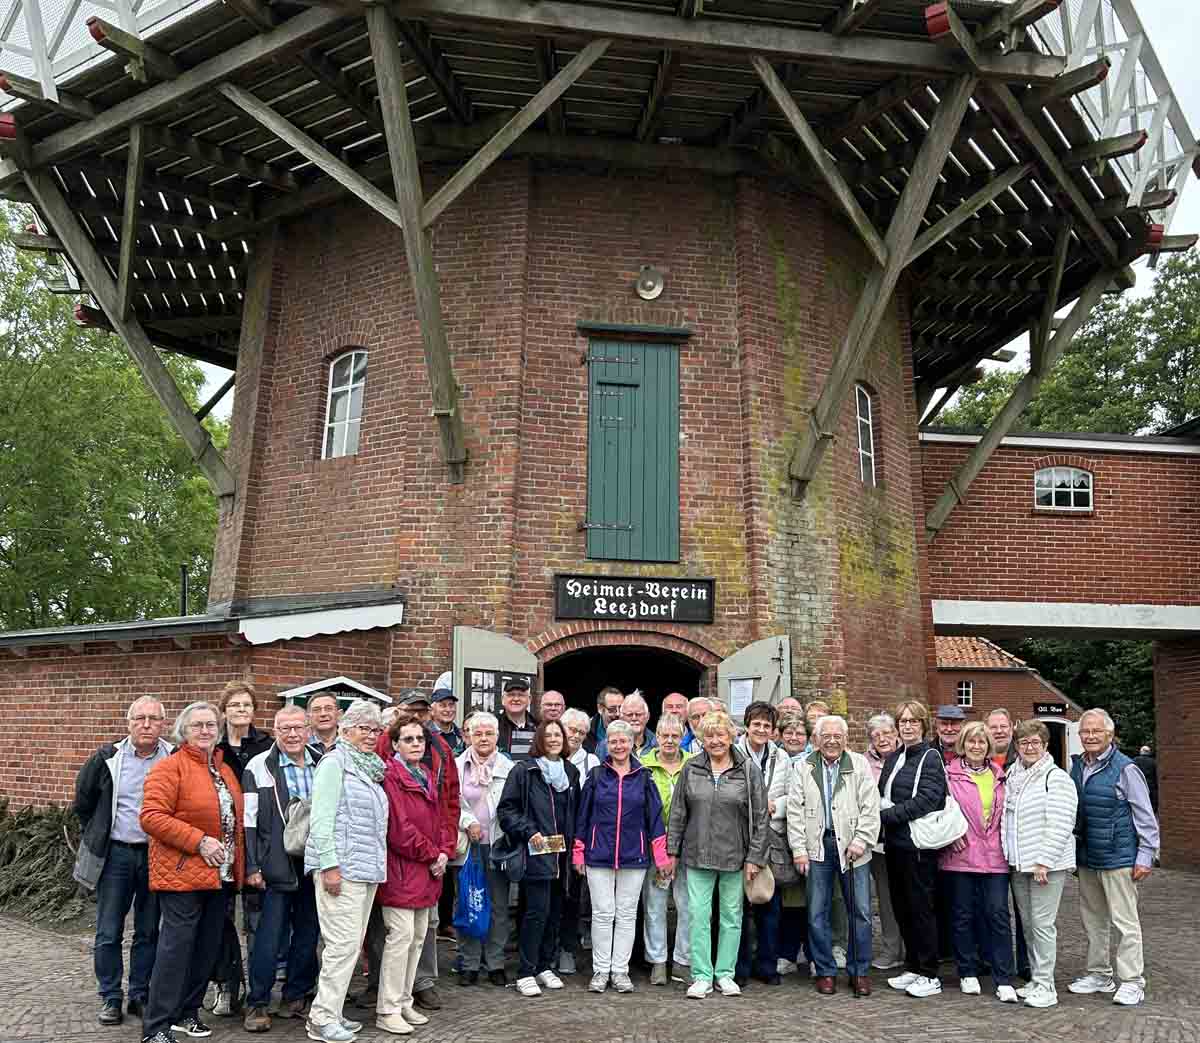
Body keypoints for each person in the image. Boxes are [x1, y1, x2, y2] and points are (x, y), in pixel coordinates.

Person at [139, 701, 245, 1043]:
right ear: (183, 731)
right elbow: (152, 817)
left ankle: (187, 1012)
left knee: (206, 947)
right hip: (182, 873)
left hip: (220, 875)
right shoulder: (170, 768)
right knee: (175, 950)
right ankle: (156, 1025)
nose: (205, 731)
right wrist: (199, 841)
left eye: (211, 725)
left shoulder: (223, 769)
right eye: (197, 725)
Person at [73, 696, 173, 1027]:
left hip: (157, 855)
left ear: (163, 723)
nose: (146, 724)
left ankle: (140, 994)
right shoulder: (108, 758)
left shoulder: (173, 758)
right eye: (140, 718)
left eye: (153, 719)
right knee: (109, 930)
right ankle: (111, 997)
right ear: (128, 722)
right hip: (116, 854)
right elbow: (83, 802)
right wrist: (99, 832)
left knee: (148, 930)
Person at [667, 711, 769, 999]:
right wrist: (672, 851)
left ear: (731, 736)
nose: (715, 741)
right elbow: (678, 813)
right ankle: (701, 975)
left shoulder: (748, 769)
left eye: (720, 735)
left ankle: (725, 974)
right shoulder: (691, 768)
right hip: (697, 853)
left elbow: (760, 818)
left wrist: (755, 857)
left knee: (732, 916)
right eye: (708, 736)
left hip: (735, 855)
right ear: (701, 739)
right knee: (698, 915)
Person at [304, 699, 388, 1043]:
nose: (371, 735)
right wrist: (329, 865)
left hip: (364, 868)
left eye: (376, 729)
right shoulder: (334, 764)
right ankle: (322, 1018)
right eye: (363, 728)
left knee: (350, 945)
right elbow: (321, 821)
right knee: (341, 945)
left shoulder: (370, 767)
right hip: (341, 868)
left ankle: (332, 1011)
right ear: (345, 729)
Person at [1068, 708, 1160, 1007]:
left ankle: (1132, 981)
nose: (1090, 736)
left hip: (1119, 856)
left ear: (1110, 734)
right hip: (1088, 856)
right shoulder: (1077, 767)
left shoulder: (1126, 769)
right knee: (1093, 920)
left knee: (1125, 921)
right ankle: (1099, 974)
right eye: (1085, 731)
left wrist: (1146, 854)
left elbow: (1145, 816)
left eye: (1096, 731)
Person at [240, 704, 321, 1032]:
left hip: (313, 863)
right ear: (275, 730)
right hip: (274, 866)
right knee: (267, 938)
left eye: (298, 727)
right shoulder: (259, 767)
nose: (292, 734)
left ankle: (294, 996)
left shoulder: (322, 761)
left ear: (308, 729)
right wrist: (253, 865)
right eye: (285, 728)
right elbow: (248, 822)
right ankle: (257, 1002)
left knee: (307, 934)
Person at [573, 719, 670, 993]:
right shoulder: (595, 776)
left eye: (623, 740)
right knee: (603, 913)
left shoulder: (644, 776)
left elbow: (655, 820)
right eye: (613, 740)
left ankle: (620, 971)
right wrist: (579, 852)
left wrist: (661, 857)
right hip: (598, 854)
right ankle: (601, 970)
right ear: (607, 744)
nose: (618, 745)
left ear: (631, 743)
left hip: (634, 855)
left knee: (627, 915)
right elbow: (583, 816)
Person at [788, 715, 880, 998]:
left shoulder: (859, 764)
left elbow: (870, 806)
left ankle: (859, 970)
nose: (831, 741)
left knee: (861, 912)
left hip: (853, 848)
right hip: (817, 847)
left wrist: (861, 840)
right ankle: (826, 971)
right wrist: (800, 850)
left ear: (845, 738)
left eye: (837, 736)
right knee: (817, 912)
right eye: (825, 736)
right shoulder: (804, 766)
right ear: (816, 740)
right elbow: (795, 810)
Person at [498, 719, 580, 997]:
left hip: (562, 854)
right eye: (549, 735)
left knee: (555, 913)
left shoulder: (571, 772)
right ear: (540, 740)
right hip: (535, 852)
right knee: (535, 912)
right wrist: (528, 830)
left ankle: (545, 965)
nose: (554, 739)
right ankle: (526, 971)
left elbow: (575, 810)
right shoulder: (525, 771)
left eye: (559, 734)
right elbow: (507, 810)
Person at [376, 717, 447, 1036]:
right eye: (408, 739)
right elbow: (399, 830)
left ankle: (404, 1000)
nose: (416, 743)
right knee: (400, 938)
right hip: (402, 869)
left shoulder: (428, 775)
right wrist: (433, 854)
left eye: (420, 738)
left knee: (418, 936)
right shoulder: (390, 777)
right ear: (395, 744)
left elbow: (443, 818)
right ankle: (387, 1008)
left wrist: (444, 851)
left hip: (429, 869)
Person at [1002, 719, 1078, 1010]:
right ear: (1017, 747)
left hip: (1046, 866)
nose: (1029, 747)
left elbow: (1061, 823)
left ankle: (1047, 986)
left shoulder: (1056, 778)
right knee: (1029, 924)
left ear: (1045, 745)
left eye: (1035, 742)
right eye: (1023, 743)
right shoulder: (1013, 774)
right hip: (1019, 864)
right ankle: (1036, 978)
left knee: (1043, 925)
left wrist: (1044, 861)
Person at [940, 722, 1017, 1003]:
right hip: (960, 855)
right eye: (971, 741)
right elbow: (941, 810)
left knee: (997, 914)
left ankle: (1004, 977)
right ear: (963, 744)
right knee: (962, 915)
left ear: (988, 746)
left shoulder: (1000, 776)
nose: (976, 746)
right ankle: (967, 971)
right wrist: (951, 836)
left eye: (981, 742)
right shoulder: (950, 775)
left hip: (995, 856)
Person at [877, 699, 948, 999]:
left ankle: (930, 973)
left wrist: (888, 816)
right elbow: (882, 791)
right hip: (895, 845)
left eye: (912, 721)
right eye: (902, 722)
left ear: (923, 725)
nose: (907, 726)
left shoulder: (931, 757)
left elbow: (930, 799)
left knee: (921, 909)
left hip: (918, 846)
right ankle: (913, 966)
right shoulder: (895, 757)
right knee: (902, 907)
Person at [212, 680, 273, 1016]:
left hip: (254, 844)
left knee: (256, 919)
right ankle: (226, 984)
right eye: (234, 705)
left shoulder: (266, 745)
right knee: (220, 921)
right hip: (220, 844)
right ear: (224, 710)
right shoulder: (214, 745)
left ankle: (257, 988)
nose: (240, 710)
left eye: (246, 705)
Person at [454, 712, 515, 985]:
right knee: (467, 903)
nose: (483, 738)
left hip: (498, 844)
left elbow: (514, 805)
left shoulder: (509, 768)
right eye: (477, 733)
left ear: (496, 736)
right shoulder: (457, 766)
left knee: (499, 905)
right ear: (468, 735)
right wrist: (468, 822)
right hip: (468, 845)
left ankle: (495, 962)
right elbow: (450, 804)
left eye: (488, 733)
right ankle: (468, 962)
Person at [734, 701, 791, 987]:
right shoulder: (734, 753)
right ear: (747, 725)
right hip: (741, 837)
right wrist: (754, 805)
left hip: (773, 837)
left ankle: (767, 965)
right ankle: (741, 966)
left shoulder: (781, 758)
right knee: (740, 906)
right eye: (756, 724)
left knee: (771, 904)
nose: (761, 729)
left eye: (766, 725)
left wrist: (774, 806)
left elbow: (791, 794)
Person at [639, 715, 694, 985]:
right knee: (655, 905)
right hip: (654, 846)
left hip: (686, 847)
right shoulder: (643, 765)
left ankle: (683, 961)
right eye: (665, 735)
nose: (670, 741)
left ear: (682, 736)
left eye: (675, 736)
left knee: (687, 906)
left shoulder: (693, 765)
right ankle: (657, 961)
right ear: (657, 736)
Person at [984, 708, 1029, 979]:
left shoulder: (1023, 759)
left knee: (1025, 910)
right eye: (994, 726)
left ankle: (1026, 962)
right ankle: (994, 959)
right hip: (990, 850)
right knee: (995, 909)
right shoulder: (980, 759)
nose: (999, 731)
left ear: (1012, 727)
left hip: (1019, 845)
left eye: (1003, 726)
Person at [558, 707, 599, 974]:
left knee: (573, 896)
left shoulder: (591, 762)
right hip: (550, 837)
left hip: (577, 837)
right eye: (572, 730)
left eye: (582, 732)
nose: (576, 736)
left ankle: (567, 950)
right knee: (547, 896)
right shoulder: (545, 756)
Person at [864, 713, 903, 972]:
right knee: (887, 899)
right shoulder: (862, 763)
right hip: (878, 843)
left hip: (907, 839)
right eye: (876, 735)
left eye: (887, 733)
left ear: (896, 735)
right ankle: (891, 949)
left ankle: (914, 949)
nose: (882, 739)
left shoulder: (907, 758)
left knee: (912, 897)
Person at [775, 710, 809, 975]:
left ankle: (808, 952)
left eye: (799, 733)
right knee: (787, 899)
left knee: (811, 899)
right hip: (780, 839)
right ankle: (786, 951)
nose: (794, 737)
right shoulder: (777, 761)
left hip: (808, 839)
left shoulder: (812, 761)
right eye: (789, 732)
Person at [597, 691, 657, 759]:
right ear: (621, 717)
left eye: (639, 714)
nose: (634, 718)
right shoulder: (605, 746)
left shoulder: (658, 744)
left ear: (647, 716)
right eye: (629, 715)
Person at [497, 678, 538, 761]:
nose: (516, 699)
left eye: (521, 695)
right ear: (503, 700)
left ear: (529, 699)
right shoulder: (493, 726)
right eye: (511, 695)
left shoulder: (539, 727)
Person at [584, 685, 624, 753]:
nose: (618, 714)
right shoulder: (586, 730)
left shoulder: (631, 727)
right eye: (612, 709)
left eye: (621, 708)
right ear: (600, 709)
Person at [429, 686, 466, 756]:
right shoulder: (424, 735)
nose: (448, 710)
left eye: (451, 705)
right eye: (443, 705)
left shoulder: (462, 736)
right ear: (432, 710)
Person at [1132, 743, 1159, 816]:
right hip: (1150, 784)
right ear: (1149, 752)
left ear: (1141, 752)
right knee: (1151, 801)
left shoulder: (1135, 760)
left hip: (1138, 784)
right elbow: (1155, 774)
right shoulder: (1153, 762)